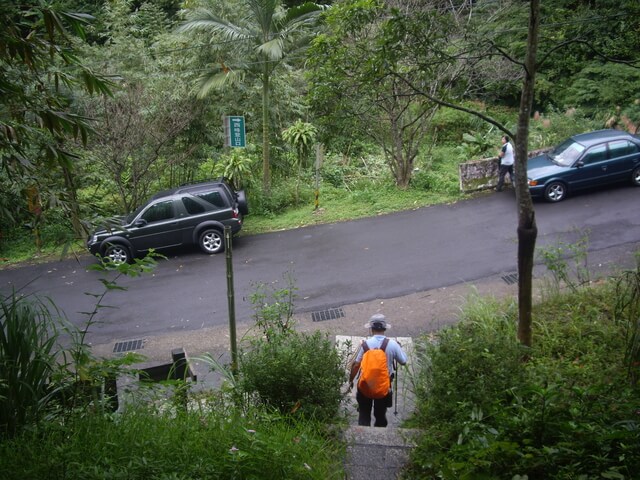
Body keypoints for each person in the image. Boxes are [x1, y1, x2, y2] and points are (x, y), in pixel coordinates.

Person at [348, 314, 408, 427]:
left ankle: (363, 435)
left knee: (364, 414)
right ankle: (380, 430)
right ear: (385, 328)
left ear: (371, 328)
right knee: (380, 415)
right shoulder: (393, 345)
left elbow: (356, 365)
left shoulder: (365, 345)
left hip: (365, 385)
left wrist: (351, 380)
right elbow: (403, 361)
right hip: (383, 386)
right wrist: (399, 348)